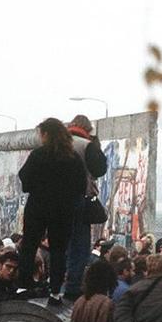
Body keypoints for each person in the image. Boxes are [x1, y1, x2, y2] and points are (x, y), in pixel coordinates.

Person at [16, 118, 87, 305]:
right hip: (63, 210)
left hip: (38, 206)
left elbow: (25, 178)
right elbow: (81, 186)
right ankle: (55, 291)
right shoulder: (73, 158)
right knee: (59, 250)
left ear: (46, 134)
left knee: (30, 244)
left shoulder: (38, 155)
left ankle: (24, 285)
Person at [63, 115, 109, 300]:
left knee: (61, 245)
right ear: (87, 129)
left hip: (55, 201)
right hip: (79, 200)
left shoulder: (56, 145)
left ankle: (56, 286)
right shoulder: (85, 145)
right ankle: (73, 287)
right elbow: (99, 169)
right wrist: (95, 145)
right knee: (80, 246)